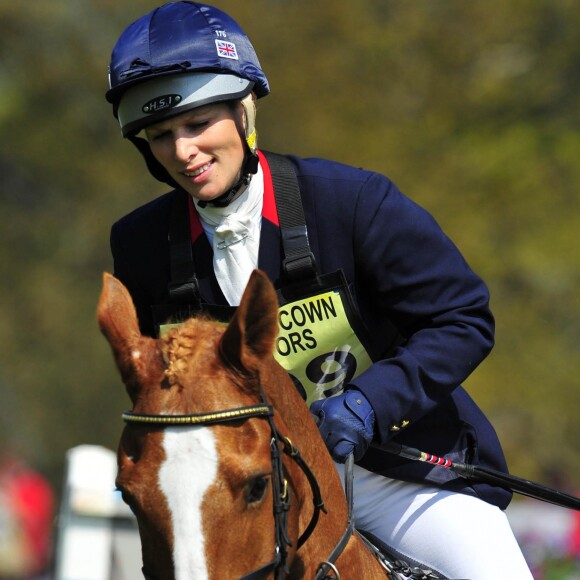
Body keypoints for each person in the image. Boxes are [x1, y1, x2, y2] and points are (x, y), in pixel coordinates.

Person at [105, 2, 532, 577]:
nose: (183, 152)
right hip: (240, 492)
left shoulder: (353, 204)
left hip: (392, 476)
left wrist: (369, 401)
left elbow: (463, 319)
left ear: (243, 108)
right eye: (160, 135)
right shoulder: (141, 245)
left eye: (197, 122)